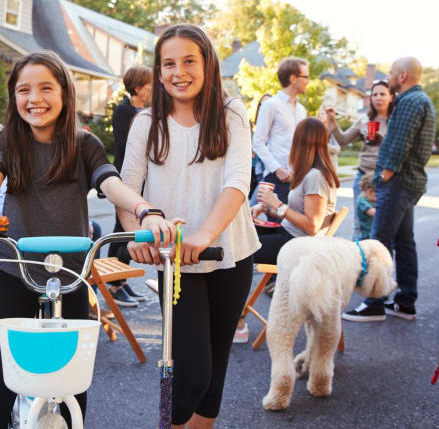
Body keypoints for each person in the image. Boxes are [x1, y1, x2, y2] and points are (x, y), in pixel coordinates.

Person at [0, 50, 175, 428]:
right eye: (24, 90)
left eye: (46, 88)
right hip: (13, 267)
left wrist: (145, 210)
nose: (35, 99)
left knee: (72, 380)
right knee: (4, 374)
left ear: (64, 93)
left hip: (72, 274)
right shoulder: (6, 142)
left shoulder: (83, 143)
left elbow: (111, 183)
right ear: (14, 97)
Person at [116, 24, 260, 429]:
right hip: (176, 262)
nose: (179, 71)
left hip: (230, 252)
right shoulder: (146, 122)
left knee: (214, 373)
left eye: (189, 61)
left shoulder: (231, 113)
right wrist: (136, 235)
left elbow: (237, 182)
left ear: (207, 64)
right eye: (169, 64)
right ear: (158, 74)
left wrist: (204, 235)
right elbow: (127, 189)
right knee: (190, 373)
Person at [343, 57, 436, 322]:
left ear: (403, 76)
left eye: (393, 73)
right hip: (410, 183)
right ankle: (405, 302)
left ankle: (374, 303)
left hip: (397, 184)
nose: (390, 76)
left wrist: (383, 176)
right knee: (405, 242)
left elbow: (398, 145)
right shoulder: (423, 101)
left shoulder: (407, 102)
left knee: (379, 242)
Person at [235, 117, 339, 342]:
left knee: (238, 252)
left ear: (301, 143)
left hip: (297, 246)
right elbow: (298, 217)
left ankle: (238, 322)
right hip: (290, 237)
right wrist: (268, 209)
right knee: (240, 236)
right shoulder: (312, 174)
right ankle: (238, 316)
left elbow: (312, 226)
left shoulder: (315, 177)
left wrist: (277, 204)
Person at [325, 80, 394, 239]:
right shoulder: (364, 119)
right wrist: (333, 122)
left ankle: (377, 259)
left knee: (381, 223)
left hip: (383, 177)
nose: (378, 98)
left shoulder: (395, 121)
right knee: (360, 224)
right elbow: (342, 140)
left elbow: (399, 151)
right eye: (374, 94)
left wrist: (382, 140)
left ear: (390, 97)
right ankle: (358, 260)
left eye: (382, 94)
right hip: (363, 178)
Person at [108, 65, 153, 307]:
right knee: (121, 233)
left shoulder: (147, 111)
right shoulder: (124, 111)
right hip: (125, 179)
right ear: (137, 88)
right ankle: (114, 284)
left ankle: (122, 281)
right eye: (149, 86)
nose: (153, 90)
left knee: (132, 231)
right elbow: (126, 149)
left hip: (142, 179)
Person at [252, 57, 308, 205]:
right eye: (305, 77)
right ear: (293, 78)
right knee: (277, 227)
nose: (308, 81)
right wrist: (277, 169)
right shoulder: (271, 105)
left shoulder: (302, 110)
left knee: (295, 226)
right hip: (276, 179)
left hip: (299, 180)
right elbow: (257, 142)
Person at [249, 93, 272, 200]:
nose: (264, 107)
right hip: (253, 174)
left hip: (267, 176)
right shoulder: (256, 130)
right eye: (261, 105)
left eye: (268, 104)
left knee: (252, 206)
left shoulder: (276, 132)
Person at [357, 171, 376, 241]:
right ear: (372, 191)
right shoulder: (362, 201)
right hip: (367, 236)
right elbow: (373, 212)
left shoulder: (368, 198)